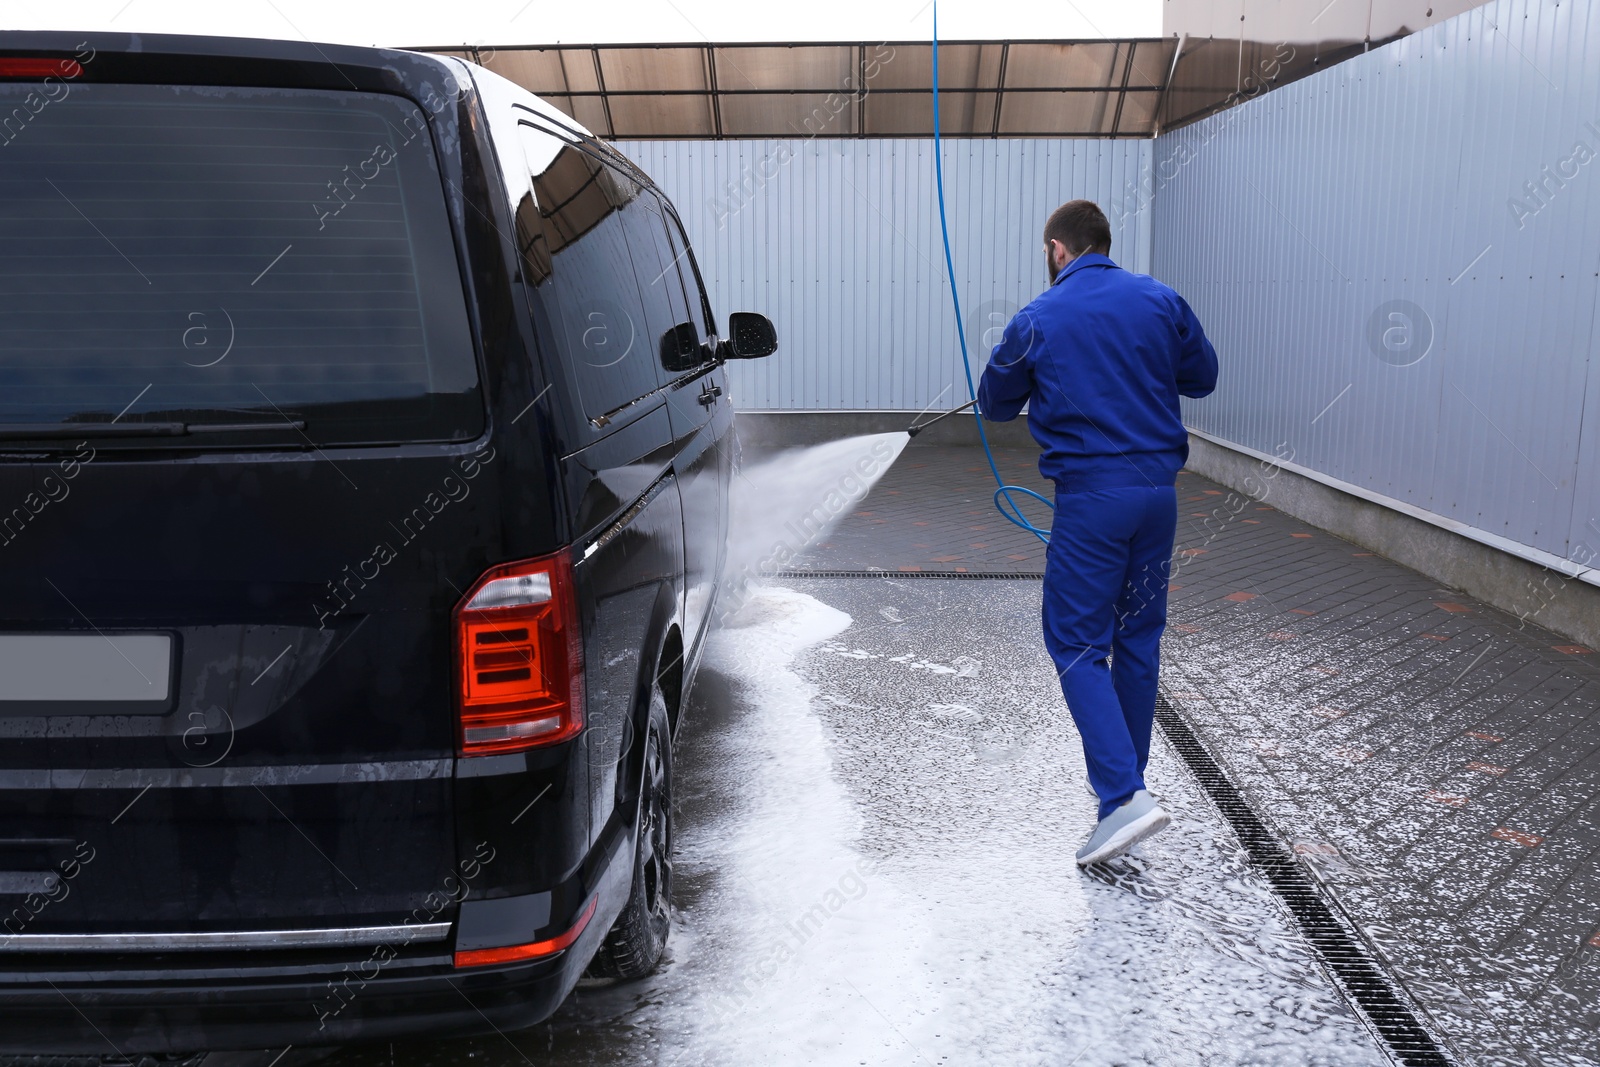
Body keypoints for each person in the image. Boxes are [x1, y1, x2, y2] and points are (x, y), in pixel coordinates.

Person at [978, 199, 1218, 866]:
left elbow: (995, 403)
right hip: (1158, 498)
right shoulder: (1162, 300)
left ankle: (1122, 797)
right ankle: (1125, 796)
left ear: (1058, 249)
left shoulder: (1038, 316)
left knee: (1078, 642)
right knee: (1136, 638)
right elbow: (1203, 376)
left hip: (1093, 502)